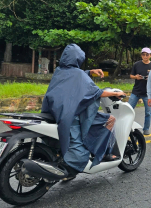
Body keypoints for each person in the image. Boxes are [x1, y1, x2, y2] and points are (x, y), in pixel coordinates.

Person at [41, 44, 125, 177]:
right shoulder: (78, 74)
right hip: (72, 114)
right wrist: (114, 93)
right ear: (78, 59)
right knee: (110, 119)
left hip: (56, 112)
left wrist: (90, 72)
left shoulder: (60, 71)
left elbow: (74, 77)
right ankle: (104, 153)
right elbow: (95, 92)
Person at [128, 47, 151, 135]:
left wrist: (150, 78)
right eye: (143, 54)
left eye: (147, 54)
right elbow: (131, 75)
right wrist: (136, 77)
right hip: (136, 91)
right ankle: (127, 127)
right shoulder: (137, 64)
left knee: (148, 112)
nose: (145, 56)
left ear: (150, 55)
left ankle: (146, 128)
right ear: (141, 55)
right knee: (128, 110)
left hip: (147, 93)